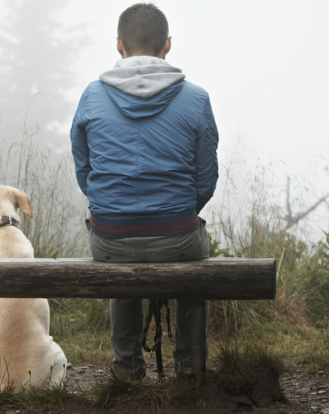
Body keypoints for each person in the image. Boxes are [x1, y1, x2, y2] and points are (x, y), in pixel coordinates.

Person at [70, 3, 218, 380]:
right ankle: (188, 369)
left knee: (119, 257)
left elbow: (84, 169)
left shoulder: (91, 96)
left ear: (119, 46)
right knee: (192, 265)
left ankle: (127, 371)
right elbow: (206, 178)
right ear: (167, 45)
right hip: (178, 237)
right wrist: (177, 212)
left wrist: (112, 207)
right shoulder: (196, 99)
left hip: (110, 238)